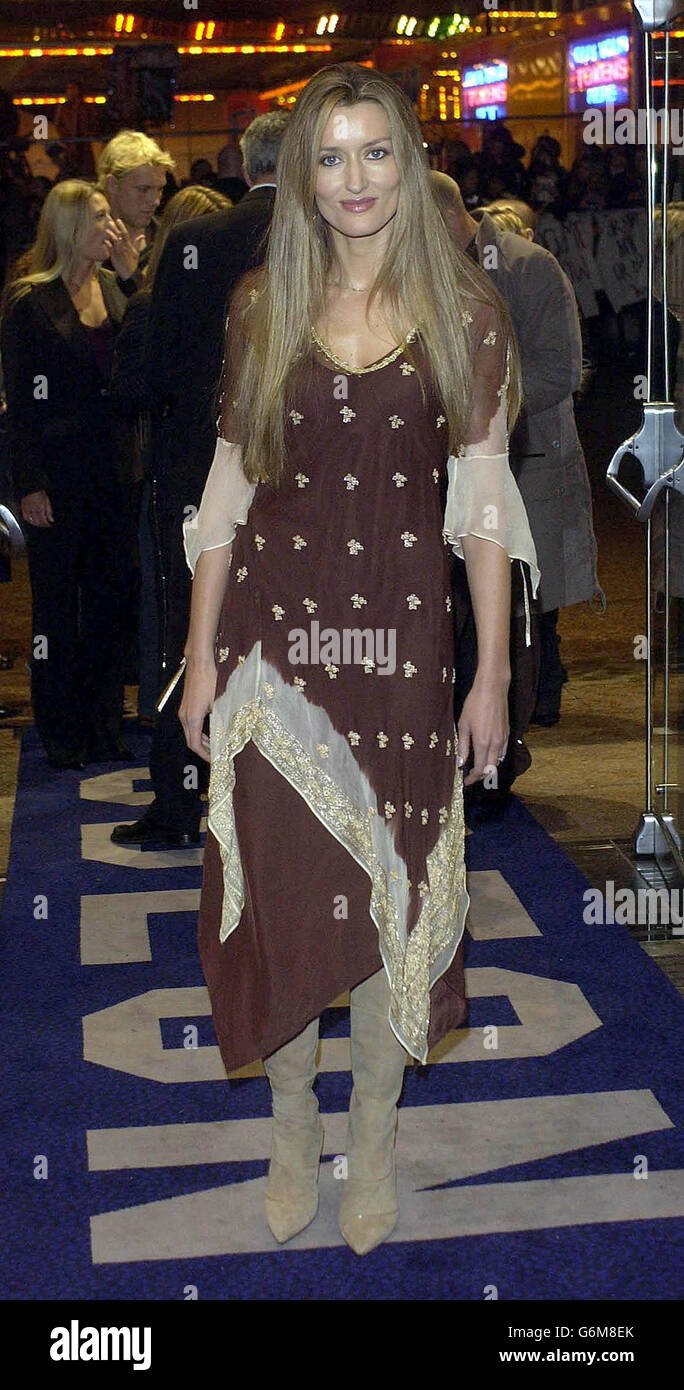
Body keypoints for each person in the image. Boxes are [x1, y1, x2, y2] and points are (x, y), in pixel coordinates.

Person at [179, 63, 538, 1255]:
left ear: (408, 158)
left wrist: (491, 676)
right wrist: (196, 649)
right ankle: (293, 1127)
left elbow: (483, 508)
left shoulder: (469, 316)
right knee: (279, 900)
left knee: (399, 899)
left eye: (375, 152)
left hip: (402, 647)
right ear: (299, 174)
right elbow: (227, 490)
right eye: (329, 157)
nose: (354, 180)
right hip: (273, 650)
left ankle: (372, 1134)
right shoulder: (258, 307)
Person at [110, 110, 288, 850]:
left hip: (201, 470)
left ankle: (182, 805)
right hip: (303, 472)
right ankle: (289, 800)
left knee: (196, 627)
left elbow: (154, 376)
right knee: (292, 633)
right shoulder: (336, 235)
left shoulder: (194, 244)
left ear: (244, 164)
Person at [432, 173, 602, 734]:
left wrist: (476, 403)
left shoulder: (528, 267)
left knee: (528, 601)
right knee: (482, 602)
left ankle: (520, 720)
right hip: (467, 462)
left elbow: (560, 369)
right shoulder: (436, 269)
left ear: (444, 217)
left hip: (526, 459)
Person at [0, 180, 139, 768]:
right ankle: (61, 730)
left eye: (110, 214)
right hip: (57, 475)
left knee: (110, 601)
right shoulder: (31, 301)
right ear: (69, 227)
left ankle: (105, 725)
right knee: (58, 607)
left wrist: (134, 280)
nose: (110, 226)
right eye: (99, 216)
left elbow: (142, 362)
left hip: (114, 472)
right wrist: (29, 484)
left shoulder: (116, 288)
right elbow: (21, 407)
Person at [109, 184, 232, 724]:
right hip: (177, 477)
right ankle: (170, 715)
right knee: (174, 600)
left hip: (189, 475)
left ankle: (178, 719)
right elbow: (135, 390)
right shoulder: (154, 308)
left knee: (179, 600)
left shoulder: (161, 306)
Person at [96, 129, 176, 286]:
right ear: (112, 184)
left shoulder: (170, 241)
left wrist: (132, 277)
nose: (155, 201)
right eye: (143, 189)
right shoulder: (85, 242)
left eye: (159, 189)